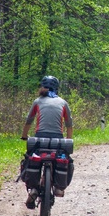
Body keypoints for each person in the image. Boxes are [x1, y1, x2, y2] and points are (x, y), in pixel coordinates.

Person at [21, 75, 73, 209]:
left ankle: (33, 189)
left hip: (39, 139)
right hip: (58, 139)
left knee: (30, 158)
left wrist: (24, 135)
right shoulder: (63, 102)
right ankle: (58, 187)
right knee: (65, 159)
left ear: (42, 87)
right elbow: (69, 124)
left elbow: (29, 120)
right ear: (57, 88)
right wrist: (68, 139)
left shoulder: (37, 101)